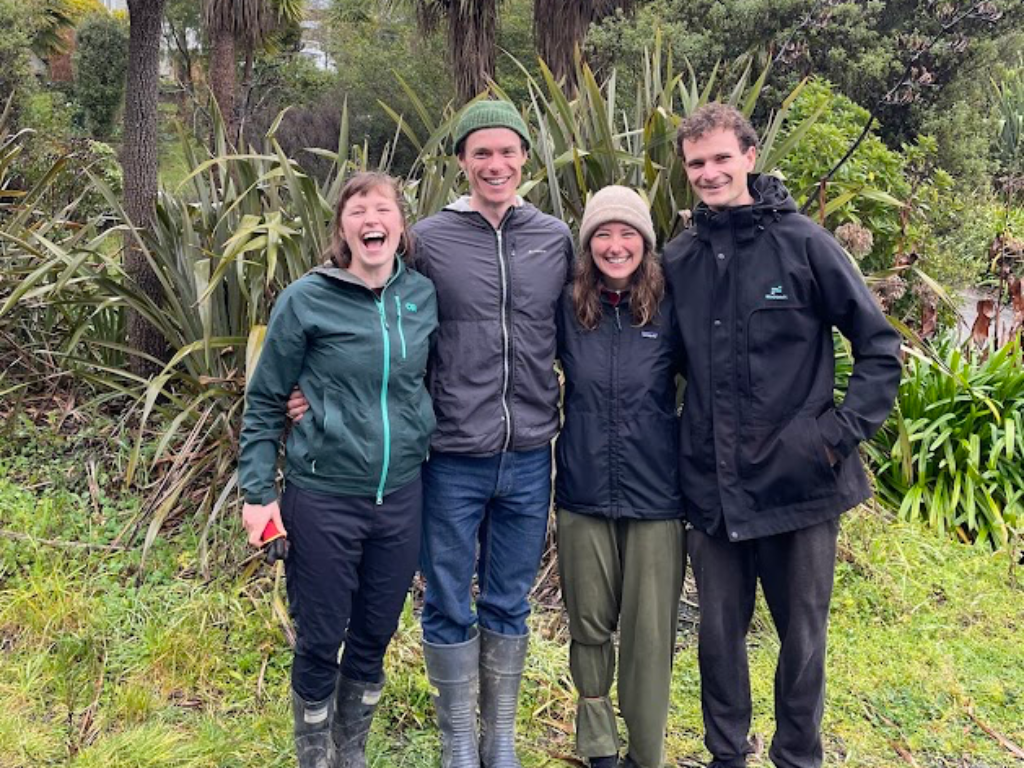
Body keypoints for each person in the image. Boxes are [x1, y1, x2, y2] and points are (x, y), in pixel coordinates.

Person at [288, 100, 574, 768]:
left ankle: (498, 740)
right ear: (462, 162)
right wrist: (314, 388)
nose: (495, 164)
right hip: (449, 456)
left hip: (530, 453)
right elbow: (362, 302)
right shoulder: (430, 239)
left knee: (510, 601)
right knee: (447, 601)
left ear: (526, 156)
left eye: (507, 151)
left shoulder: (553, 236)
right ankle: (457, 746)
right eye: (481, 152)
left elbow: (580, 327)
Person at [663, 103, 902, 768]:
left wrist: (833, 437)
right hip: (713, 490)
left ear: (748, 156)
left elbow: (879, 347)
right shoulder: (680, 259)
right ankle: (726, 756)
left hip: (800, 485)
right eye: (696, 164)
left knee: (803, 642)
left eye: (720, 159)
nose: (710, 173)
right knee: (717, 640)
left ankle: (798, 757)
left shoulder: (804, 243)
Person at [238, 171, 438, 768]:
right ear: (342, 229)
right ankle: (313, 757)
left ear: (401, 225)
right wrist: (257, 492)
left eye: (383, 209)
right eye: (357, 211)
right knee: (322, 638)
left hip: (402, 495)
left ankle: (351, 752)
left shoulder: (421, 296)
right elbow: (268, 397)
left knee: (375, 637)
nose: (371, 219)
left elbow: (431, 380)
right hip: (323, 495)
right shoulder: (307, 298)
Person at [554, 186, 686, 768]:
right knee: (587, 625)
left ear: (645, 243)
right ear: (587, 245)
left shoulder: (671, 307)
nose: (615, 245)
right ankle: (599, 746)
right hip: (582, 488)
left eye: (627, 233)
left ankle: (646, 753)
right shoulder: (566, 306)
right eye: (602, 234)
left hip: (656, 493)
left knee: (649, 637)